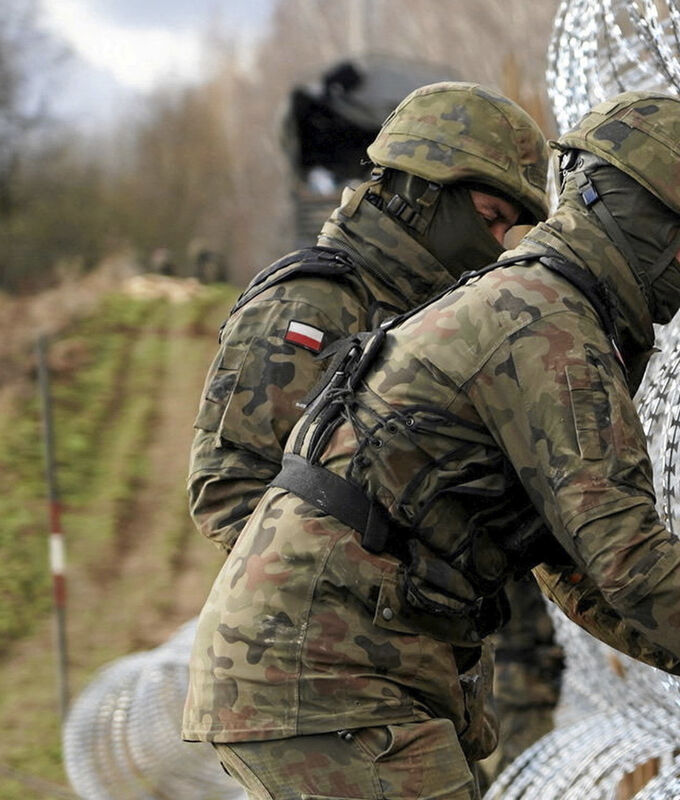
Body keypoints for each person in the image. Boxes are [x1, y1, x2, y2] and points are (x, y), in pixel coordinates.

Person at [183, 91, 680, 800]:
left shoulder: (541, 310)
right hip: (335, 678)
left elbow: (592, 577)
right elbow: (631, 562)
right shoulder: (549, 331)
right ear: (639, 215)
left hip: (341, 675)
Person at [185, 80, 563, 785]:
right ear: (426, 192)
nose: (497, 243)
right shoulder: (316, 303)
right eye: (488, 216)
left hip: (406, 681)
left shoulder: (433, 320)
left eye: (510, 227)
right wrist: (374, 598)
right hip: (327, 690)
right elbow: (229, 489)